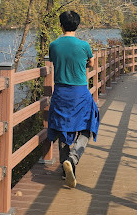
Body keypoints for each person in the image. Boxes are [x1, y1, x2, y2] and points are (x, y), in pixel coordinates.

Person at [47, 10, 100, 188]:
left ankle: (66, 171)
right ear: (77, 25)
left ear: (61, 25)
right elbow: (91, 63)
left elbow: (55, 61)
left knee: (63, 128)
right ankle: (73, 158)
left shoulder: (54, 45)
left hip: (61, 93)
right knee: (87, 126)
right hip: (79, 93)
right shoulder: (84, 45)